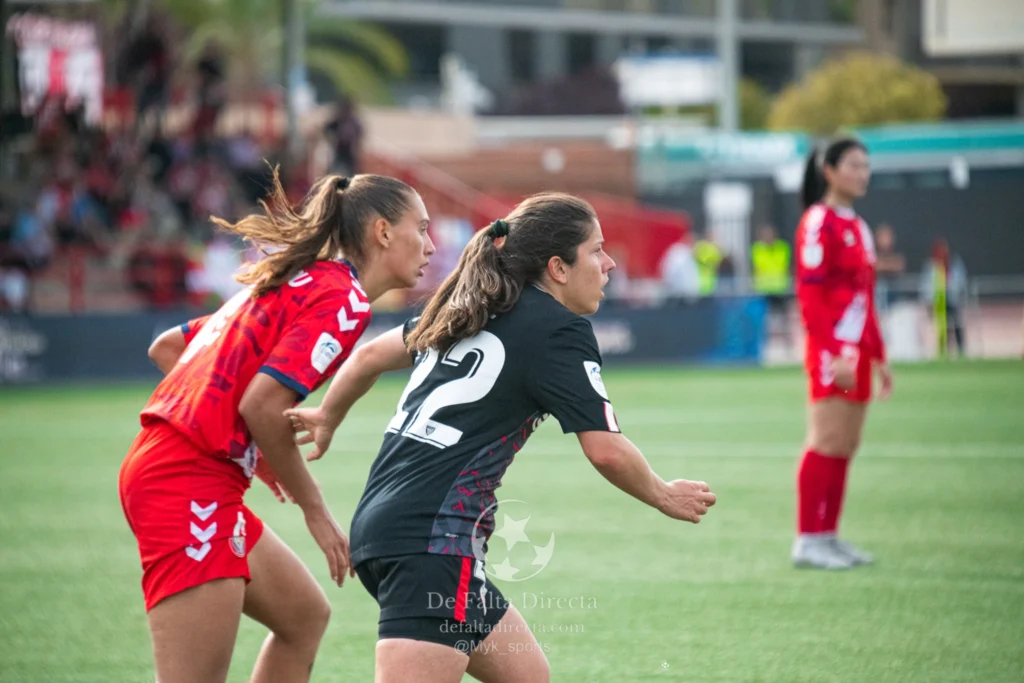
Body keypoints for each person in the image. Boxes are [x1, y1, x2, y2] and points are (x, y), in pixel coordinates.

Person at [285, 193, 717, 683]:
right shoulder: (559, 330)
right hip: (432, 542)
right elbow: (606, 450)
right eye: (596, 251)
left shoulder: (469, 305)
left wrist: (328, 414)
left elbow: (366, 358)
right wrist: (663, 494)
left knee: (528, 675)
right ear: (558, 267)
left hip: (389, 528)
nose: (610, 262)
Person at [118, 170, 435, 683]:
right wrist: (315, 510)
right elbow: (262, 405)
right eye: (420, 228)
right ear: (382, 232)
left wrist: (247, 445)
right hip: (185, 482)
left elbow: (169, 349)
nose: (429, 244)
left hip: (180, 472)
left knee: (303, 617)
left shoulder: (300, 277)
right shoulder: (344, 299)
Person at [792, 138, 893, 570]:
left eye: (866, 165)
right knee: (826, 440)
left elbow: (865, 297)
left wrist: (878, 354)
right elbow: (810, 297)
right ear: (829, 171)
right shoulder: (819, 222)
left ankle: (829, 535)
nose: (862, 172)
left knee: (847, 444)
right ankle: (808, 539)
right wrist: (833, 353)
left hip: (857, 351)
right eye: (853, 164)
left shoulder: (859, 225)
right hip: (832, 351)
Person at [920, 238, 968, 358]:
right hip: (937, 302)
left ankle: (961, 350)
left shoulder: (955, 264)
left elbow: (961, 282)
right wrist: (929, 302)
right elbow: (926, 286)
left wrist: (956, 294)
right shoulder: (931, 266)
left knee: (957, 322)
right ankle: (942, 352)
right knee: (941, 325)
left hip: (952, 300)